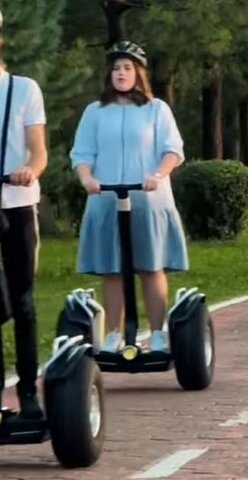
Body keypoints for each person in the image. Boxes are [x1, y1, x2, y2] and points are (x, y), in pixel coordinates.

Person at [70, 41, 188, 353]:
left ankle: (159, 333)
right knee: (112, 269)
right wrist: (88, 179)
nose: (120, 73)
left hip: (148, 200)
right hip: (106, 200)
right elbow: (82, 153)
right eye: (115, 68)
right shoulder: (95, 112)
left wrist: (158, 175)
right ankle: (113, 333)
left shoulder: (156, 109)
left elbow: (173, 150)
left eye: (127, 68)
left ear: (138, 73)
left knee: (151, 267)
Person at [0, 8, 48, 419]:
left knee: (24, 301)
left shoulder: (23, 89)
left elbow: (39, 149)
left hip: (16, 204)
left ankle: (28, 392)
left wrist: (30, 168)